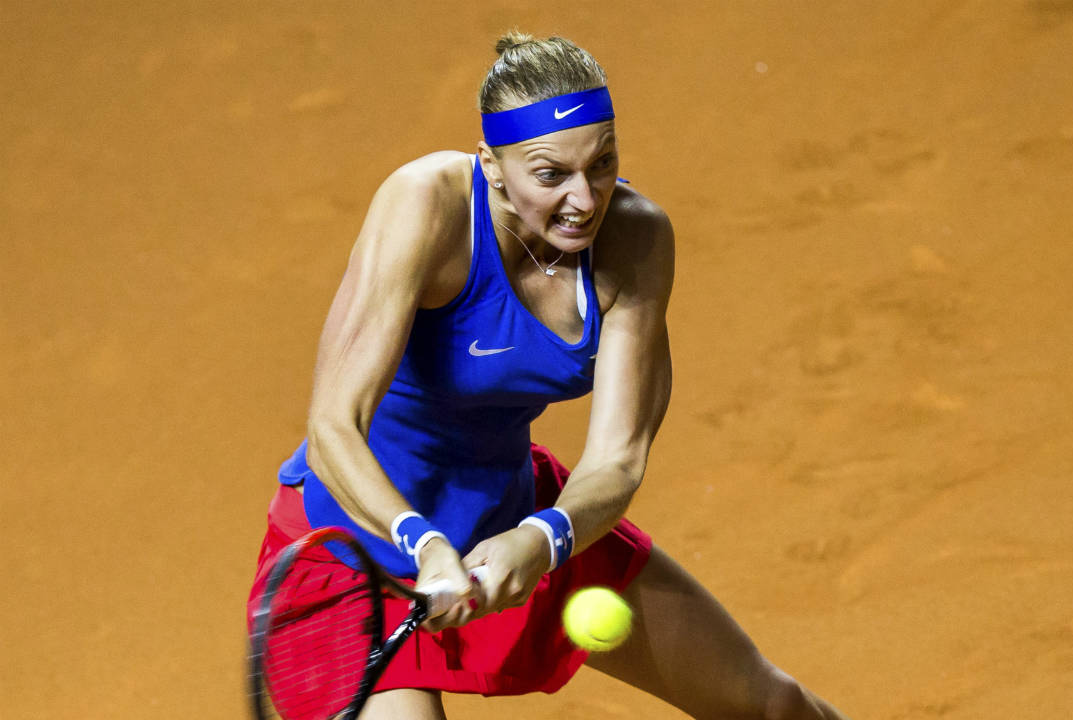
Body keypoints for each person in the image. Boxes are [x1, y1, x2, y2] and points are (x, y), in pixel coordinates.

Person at [247, 31, 849, 720]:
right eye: (550, 173)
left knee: (773, 706)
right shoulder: (427, 206)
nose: (586, 198)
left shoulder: (637, 238)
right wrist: (426, 543)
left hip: (514, 525)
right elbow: (333, 425)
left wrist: (545, 536)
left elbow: (618, 458)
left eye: (602, 163)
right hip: (355, 558)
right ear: (492, 165)